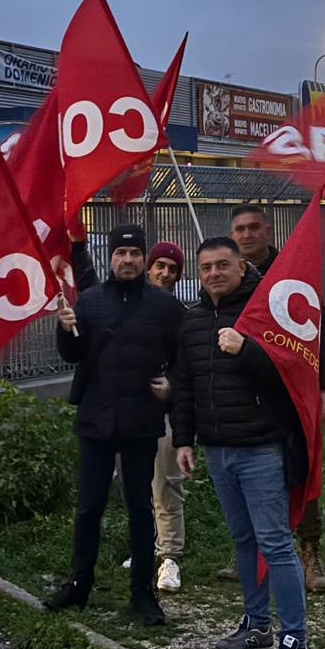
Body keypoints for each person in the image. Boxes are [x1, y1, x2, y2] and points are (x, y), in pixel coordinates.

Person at [171, 236, 325, 649]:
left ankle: (294, 640)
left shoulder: (266, 315)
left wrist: (246, 350)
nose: (213, 274)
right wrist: (184, 440)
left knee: (275, 543)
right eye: (205, 268)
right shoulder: (191, 322)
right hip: (217, 449)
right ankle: (257, 626)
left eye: (222, 265)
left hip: (262, 447)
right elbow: (184, 385)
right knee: (242, 539)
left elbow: (293, 374)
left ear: (241, 268)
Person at [44, 224, 181, 625]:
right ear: (111, 259)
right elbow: (72, 355)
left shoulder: (164, 306)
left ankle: (143, 595)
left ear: (143, 259)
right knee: (89, 507)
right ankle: (78, 585)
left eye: (134, 254)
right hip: (96, 418)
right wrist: (65, 326)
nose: (127, 260)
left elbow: (182, 357)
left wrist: (171, 383)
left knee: (141, 508)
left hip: (141, 419)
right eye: (121, 254)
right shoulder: (88, 301)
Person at [228, 204, 325, 593]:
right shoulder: (231, 275)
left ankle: (310, 552)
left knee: (299, 466)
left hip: (293, 387)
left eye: (253, 227)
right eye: (239, 229)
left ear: (268, 230)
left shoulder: (291, 269)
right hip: (246, 392)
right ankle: (250, 550)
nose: (246, 235)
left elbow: (319, 327)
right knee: (248, 470)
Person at [144, 241, 188, 592]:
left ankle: (170, 557)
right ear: (148, 268)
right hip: (130, 409)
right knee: (137, 483)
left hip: (166, 411)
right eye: (160, 266)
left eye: (172, 269)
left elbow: (186, 364)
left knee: (166, 483)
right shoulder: (129, 306)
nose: (166, 273)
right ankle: (145, 545)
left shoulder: (179, 313)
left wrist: (171, 385)